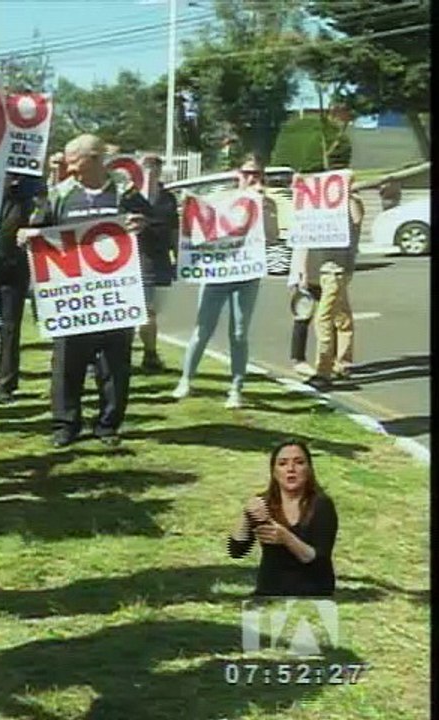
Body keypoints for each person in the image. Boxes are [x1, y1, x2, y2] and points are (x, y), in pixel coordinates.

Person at [26, 133, 145, 448]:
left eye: (74, 161)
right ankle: (65, 425)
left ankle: (108, 425)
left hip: (115, 297)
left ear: (94, 159)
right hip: (71, 299)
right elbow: (39, 229)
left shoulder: (124, 192)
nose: (68, 167)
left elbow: (158, 223)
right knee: (67, 363)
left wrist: (142, 224)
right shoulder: (60, 194)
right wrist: (28, 234)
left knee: (115, 364)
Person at [170, 154, 278, 409]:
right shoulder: (223, 198)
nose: (252, 178)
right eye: (247, 173)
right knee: (202, 329)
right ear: (238, 175)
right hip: (217, 274)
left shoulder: (266, 202)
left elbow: (272, 237)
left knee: (239, 332)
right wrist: (188, 207)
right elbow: (200, 223)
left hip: (246, 274)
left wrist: (264, 209)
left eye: (257, 174)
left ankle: (236, 388)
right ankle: (186, 379)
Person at [228, 440, 338, 597]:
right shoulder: (264, 504)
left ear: (309, 469)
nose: (291, 469)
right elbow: (236, 551)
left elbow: (319, 560)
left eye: (299, 463)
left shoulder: (322, 505)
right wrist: (247, 516)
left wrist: (286, 538)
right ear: (274, 471)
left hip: (313, 595)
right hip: (269, 593)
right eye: (282, 463)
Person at [288, 182, 364, 391]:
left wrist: (349, 194)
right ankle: (343, 363)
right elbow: (303, 234)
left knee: (323, 319)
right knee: (342, 316)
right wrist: (301, 270)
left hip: (336, 270)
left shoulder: (350, 204)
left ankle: (323, 371)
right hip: (320, 270)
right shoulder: (318, 207)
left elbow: (357, 218)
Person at [0, 173, 45, 404]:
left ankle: (6, 384)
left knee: (11, 326)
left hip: (16, 262)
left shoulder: (29, 189)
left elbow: (42, 208)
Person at [119, 154, 179, 373]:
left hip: (161, 260)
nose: (150, 171)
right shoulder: (129, 198)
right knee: (144, 311)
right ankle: (144, 355)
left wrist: (179, 258)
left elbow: (174, 230)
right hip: (137, 259)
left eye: (155, 166)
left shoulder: (168, 198)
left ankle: (149, 353)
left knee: (152, 311)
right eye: (146, 166)